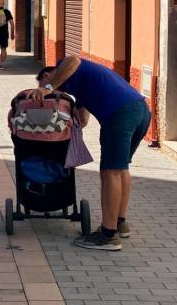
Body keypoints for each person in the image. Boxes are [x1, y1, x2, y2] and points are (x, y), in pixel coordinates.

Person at [32, 57, 151, 251]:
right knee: (121, 169)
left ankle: (108, 235)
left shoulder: (66, 65)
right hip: (140, 110)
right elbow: (83, 119)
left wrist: (47, 86)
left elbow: (73, 60)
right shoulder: (81, 85)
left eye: (50, 91)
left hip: (120, 114)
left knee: (109, 172)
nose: (54, 94)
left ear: (47, 75)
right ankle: (120, 223)